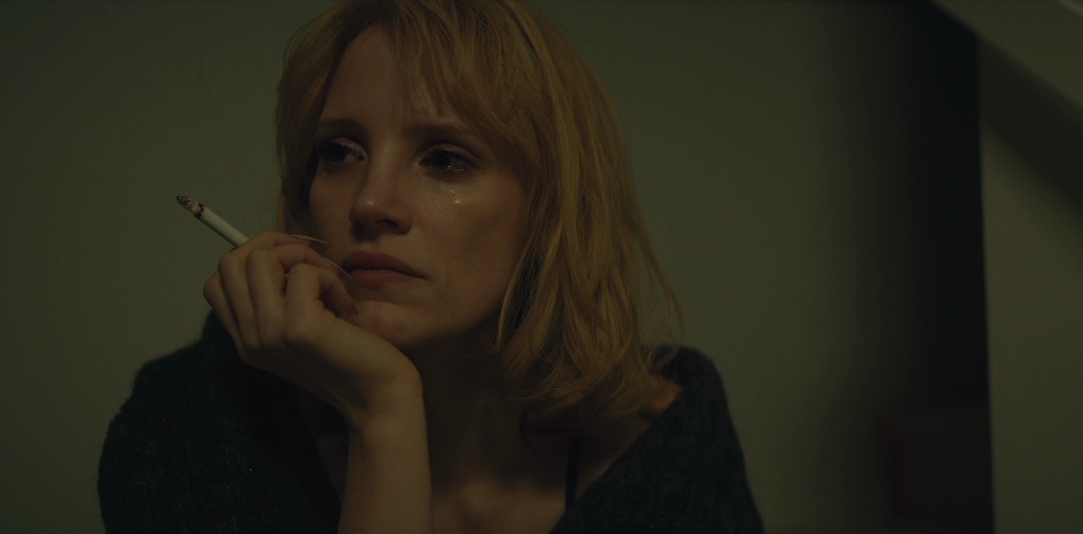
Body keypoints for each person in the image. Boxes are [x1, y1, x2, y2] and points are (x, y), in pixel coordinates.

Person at [98, 0, 762, 532]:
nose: (369, 202)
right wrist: (383, 416)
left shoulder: (663, 447)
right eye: (339, 151)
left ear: (551, 210)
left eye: (444, 158)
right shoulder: (192, 426)